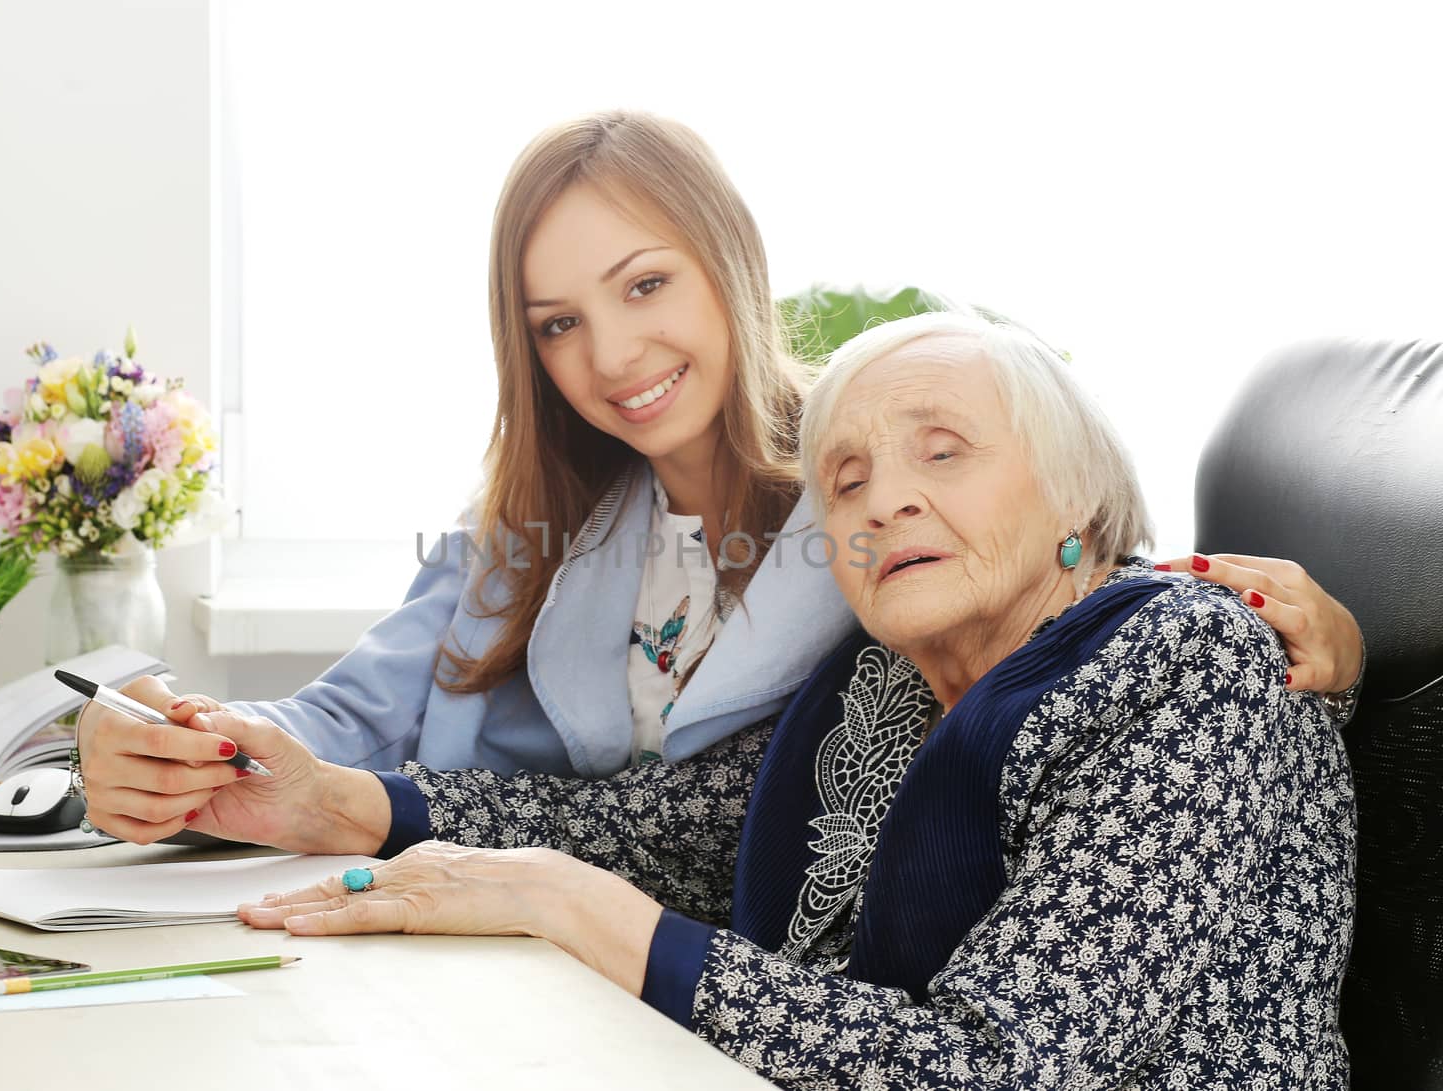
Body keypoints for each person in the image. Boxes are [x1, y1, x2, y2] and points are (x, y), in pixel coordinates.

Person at [76, 111, 1365, 846]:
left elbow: (1066, 604)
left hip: (743, 990)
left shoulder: (870, 477)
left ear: (729, 265)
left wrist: (1337, 644)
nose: (613, 354)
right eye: (557, 322)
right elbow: (342, 717)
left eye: (645, 286)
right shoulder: (529, 523)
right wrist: (151, 722)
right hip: (485, 940)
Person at [223, 311, 1356, 1089]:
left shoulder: (1185, 656)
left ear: (1079, 490)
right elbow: (662, 832)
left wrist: (578, 908)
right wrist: (332, 803)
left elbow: (1004, 1065)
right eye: (848, 481)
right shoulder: (884, 683)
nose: (884, 501)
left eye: (943, 452)